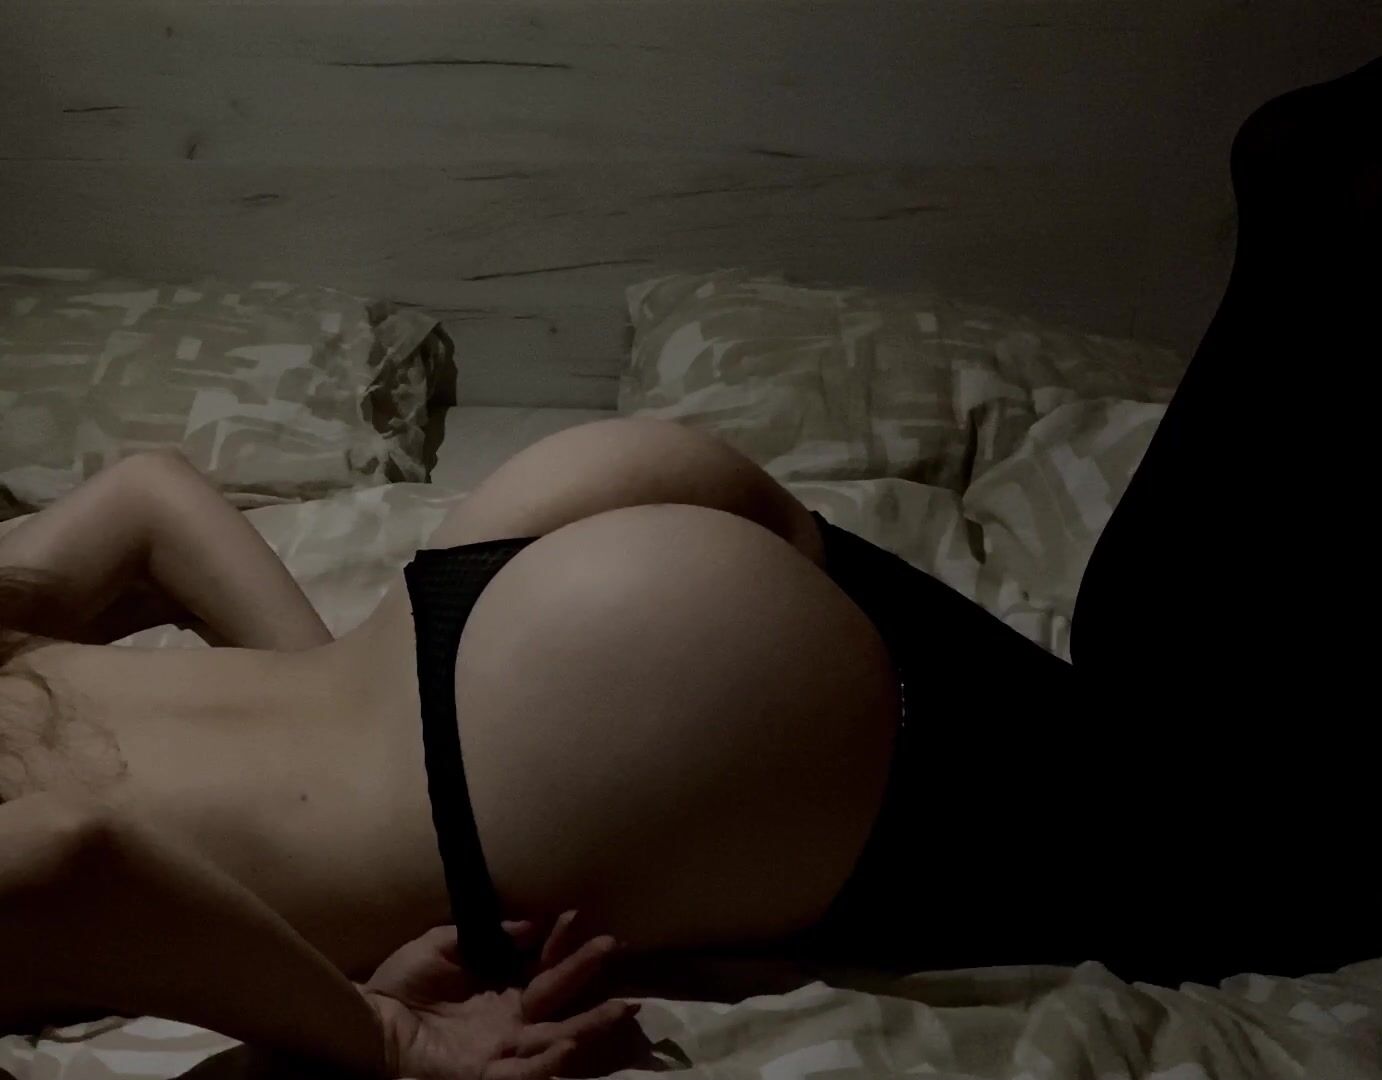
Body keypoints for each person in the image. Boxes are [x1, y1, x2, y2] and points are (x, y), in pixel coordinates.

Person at [2, 54, 1378, 1075]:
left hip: (541, 742)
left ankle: (1316, 227)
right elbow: (148, 495)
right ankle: (1310, 215)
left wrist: (378, 1031)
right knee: (1151, 782)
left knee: (1248, 881)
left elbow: (68, 857)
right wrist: (352, 714)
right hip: (493, 588)